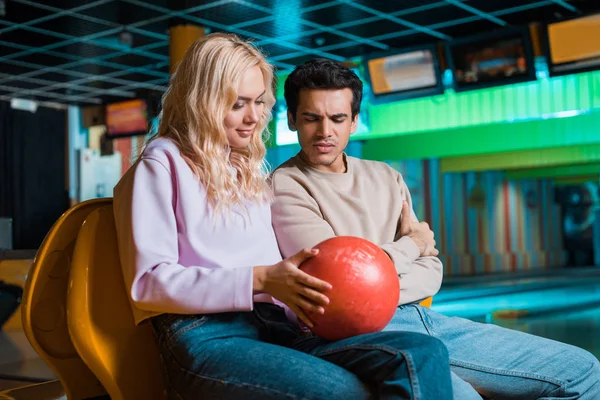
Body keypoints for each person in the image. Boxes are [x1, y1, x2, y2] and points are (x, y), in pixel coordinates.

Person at [112, 33, 454, 400]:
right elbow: (148, 283)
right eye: (237, 104)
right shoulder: (161, 163)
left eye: (259, 102)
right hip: (207, 336)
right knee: (345, 392)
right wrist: (261, 280)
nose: (254, 117)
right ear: (203, 102)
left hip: (279, 330)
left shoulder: (244, 169)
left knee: (421, 352)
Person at [270, 58, 600, 400]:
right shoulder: (285, 186)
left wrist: (380, 275)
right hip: (354, 335)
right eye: (311, 118)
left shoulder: (385, 176)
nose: (325, 132)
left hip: (420, 316)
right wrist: (411, 246)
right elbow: (340, 288)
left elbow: (432, 270)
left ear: (354, 121)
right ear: (292, 119)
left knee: (583, 371)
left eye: (338, 119)